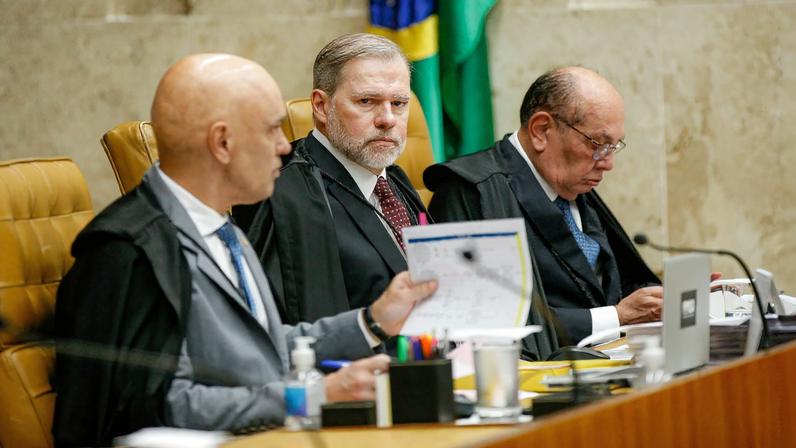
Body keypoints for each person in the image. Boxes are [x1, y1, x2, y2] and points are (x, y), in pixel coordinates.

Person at [53, 53, 437, 447]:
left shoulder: (221, 229)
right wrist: (311, 396)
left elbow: (264, 350)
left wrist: (371, 322)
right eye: (271, 131)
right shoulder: (129, 251)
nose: (284, 148)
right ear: (222, 143)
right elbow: (153, 410)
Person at [424, 67, 661, 345]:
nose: (608, 163)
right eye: (597, 143)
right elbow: (481, 322)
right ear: (541, 130)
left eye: (613, 147)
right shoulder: (470, 191)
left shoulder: (571, 183)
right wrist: (615, 318)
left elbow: (617, 282)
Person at [235, 33, 428, 325]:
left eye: (399, 103)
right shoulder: (280, 191)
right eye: (367, 101)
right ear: (321, 106)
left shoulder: (395, 180)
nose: (388, 119)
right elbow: (280, 326)